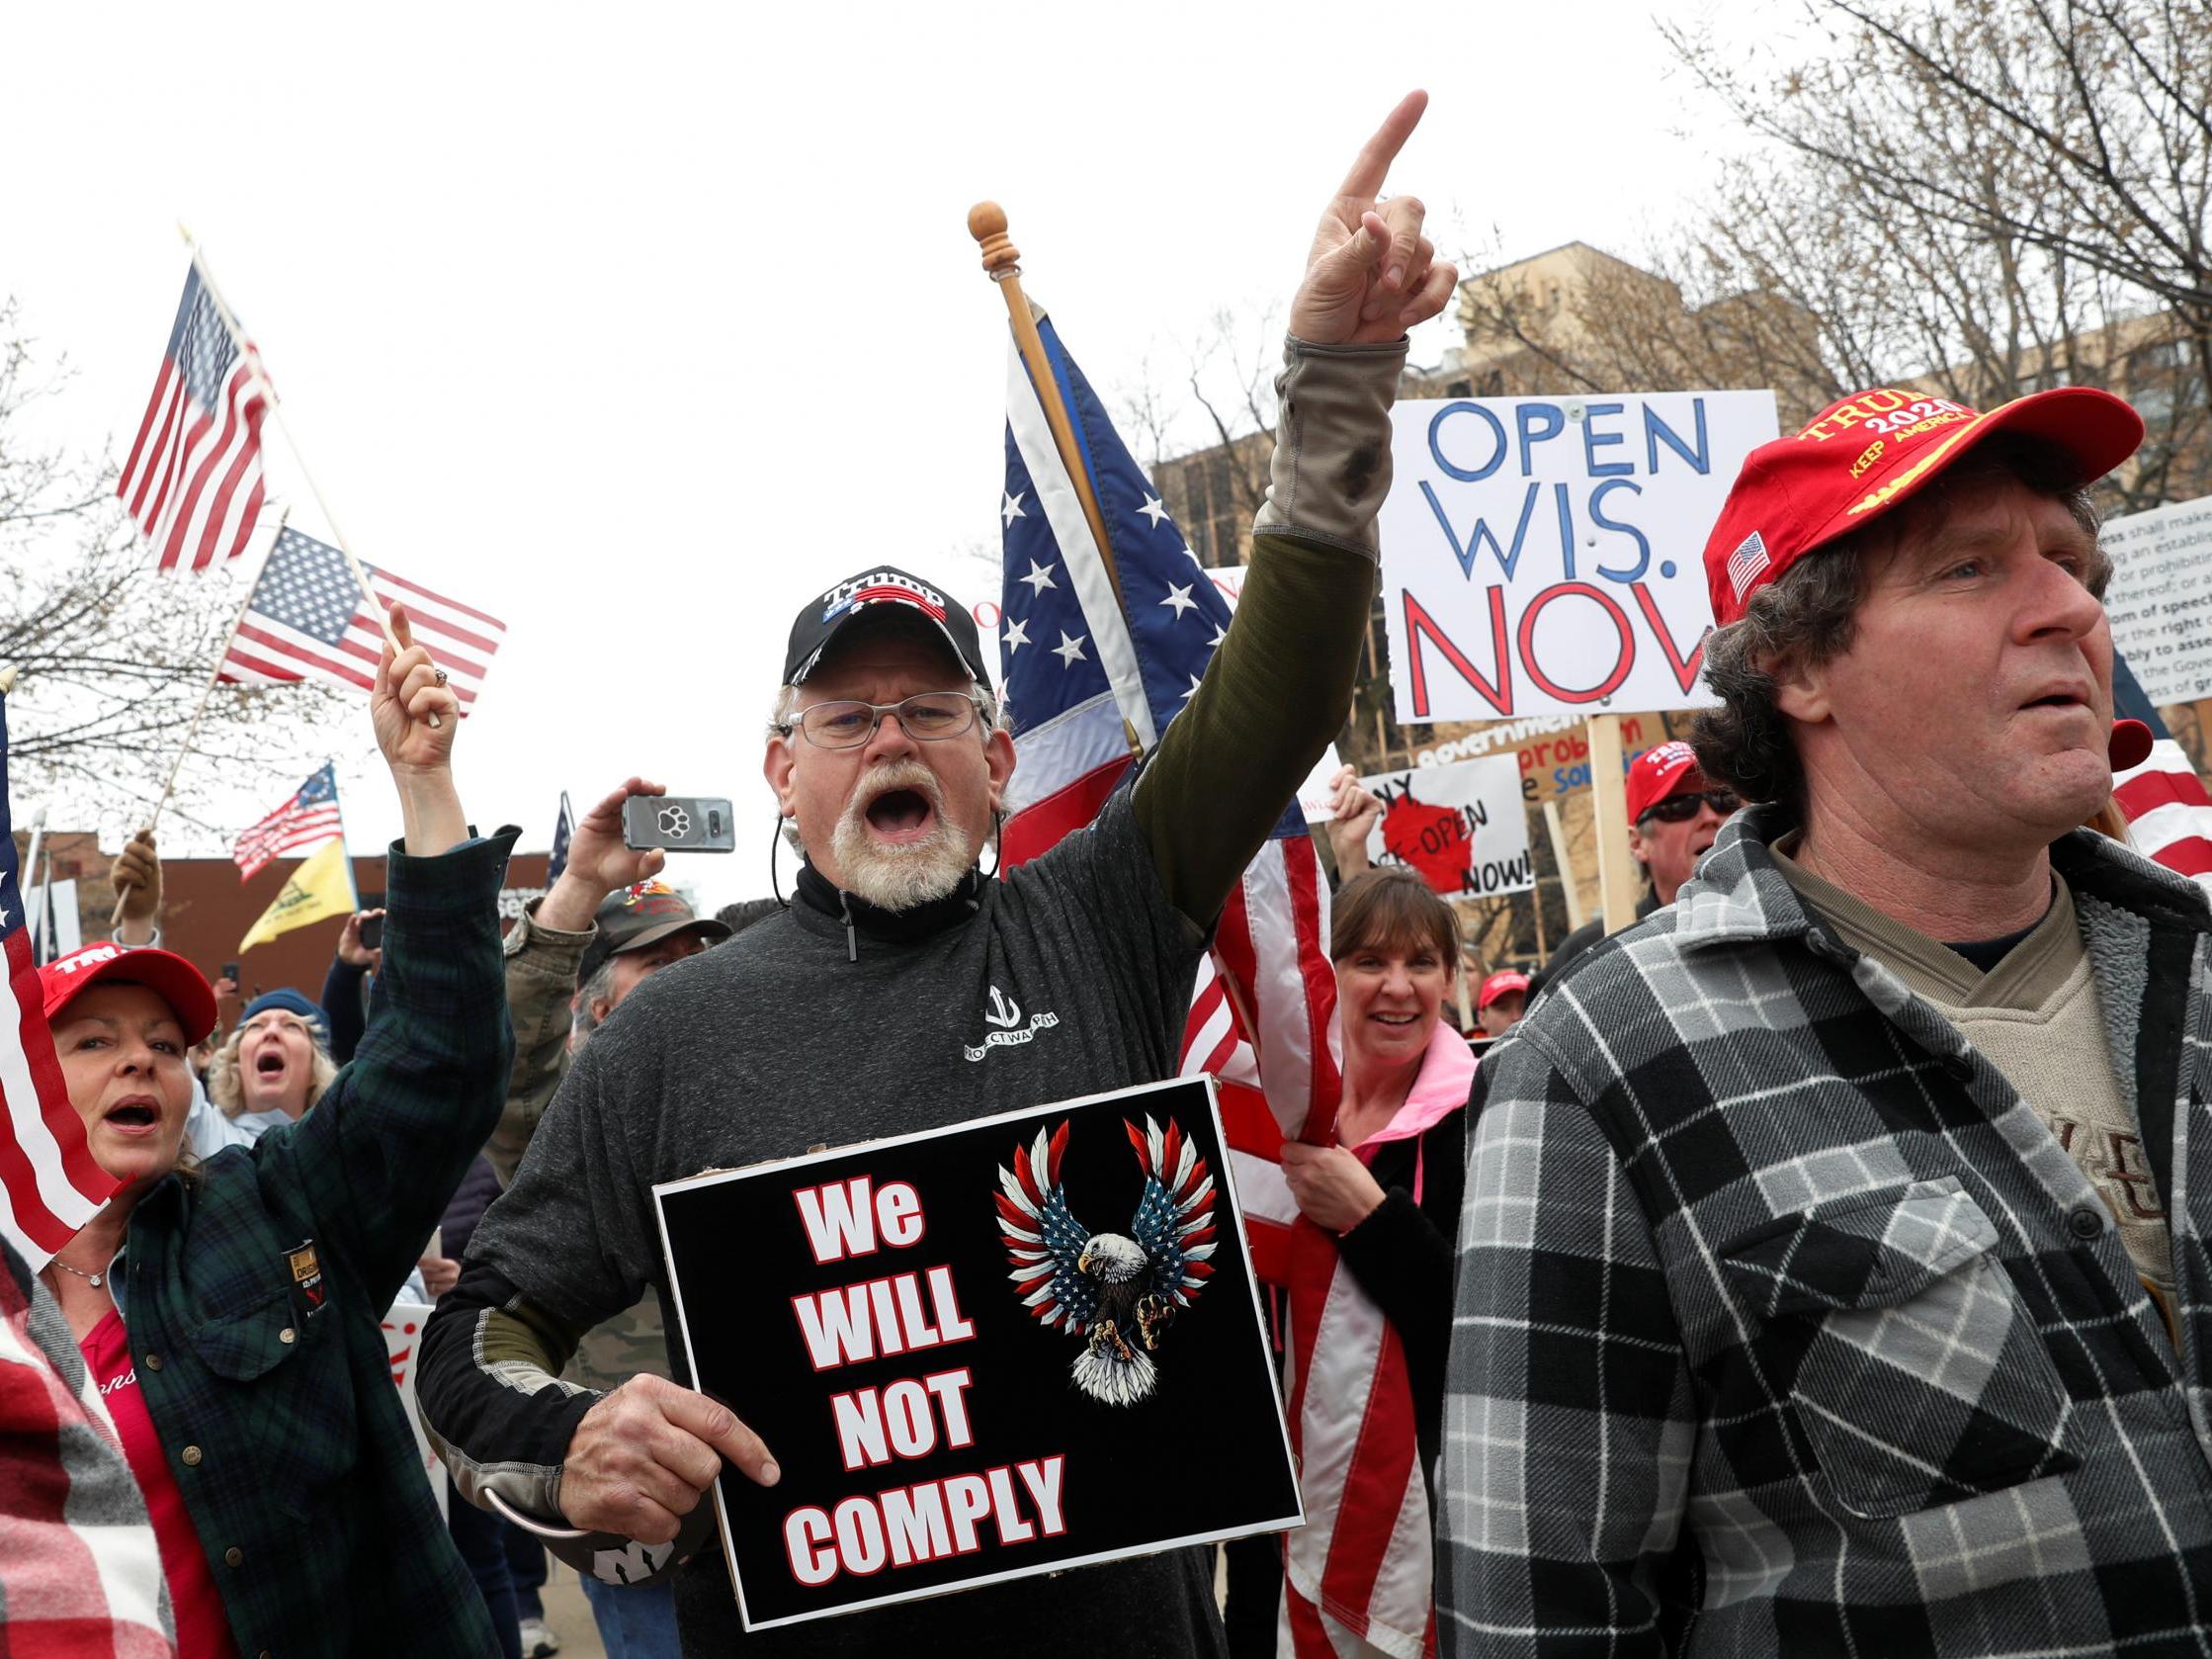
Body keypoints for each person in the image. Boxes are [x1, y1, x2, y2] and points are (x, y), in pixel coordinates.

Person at [421, 92, 1456, 1658]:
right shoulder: (671, 1036)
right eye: (847, 716)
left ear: (991, 763)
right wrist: (573, 1437)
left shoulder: (1100, 913)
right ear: (782, 768)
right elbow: (473, 1327)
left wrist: (1335, 388)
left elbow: (1284, 687)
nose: (888, 737)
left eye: (930, 710)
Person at [1435, 383, 2212, 1657]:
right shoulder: (1605, 1062)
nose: (2073, 609)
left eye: (2073, 563)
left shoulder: (2197, 969)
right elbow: (1542, 1618)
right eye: (1971, 567)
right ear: (1795, 663)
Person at [33, 609, 517, 1658]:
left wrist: (427, 785)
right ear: (27, 1083)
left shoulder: (275, 1208)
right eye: (97, 1041)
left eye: (167, 1043)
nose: (143, 1061)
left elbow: (439, 1061)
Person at [483, 779, 731, 1659]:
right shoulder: (569, 1117)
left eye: (700, 956)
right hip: (655, 1517)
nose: (686, 978)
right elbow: (505, 1053)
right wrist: (581, 887)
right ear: (590, 1002)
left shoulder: (764, 1083)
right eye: (655, 965)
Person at [1277, 867, 1475, 1644]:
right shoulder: (1276, 1119)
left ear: (1450, 979)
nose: (1399, 987)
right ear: (1328, 976)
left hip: (1431, 1525)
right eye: (1370, 961)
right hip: (1290, 1517)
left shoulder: (1489, 1114)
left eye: (1421, 962)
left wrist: (1370, 1218)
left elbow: (1489, 1326)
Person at [1525, 740, 1737, 998]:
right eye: (1681, 805)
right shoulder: (1586, 955)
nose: (1710, 817)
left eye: (1722, 799)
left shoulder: (1787, 916)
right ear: (1638, 843)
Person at [1471, 968, 1525, 1038]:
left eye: (1525, 1007)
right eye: (1503, 1008)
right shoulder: (1462, 1048)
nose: (1516, 1017)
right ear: (1482, 1018)